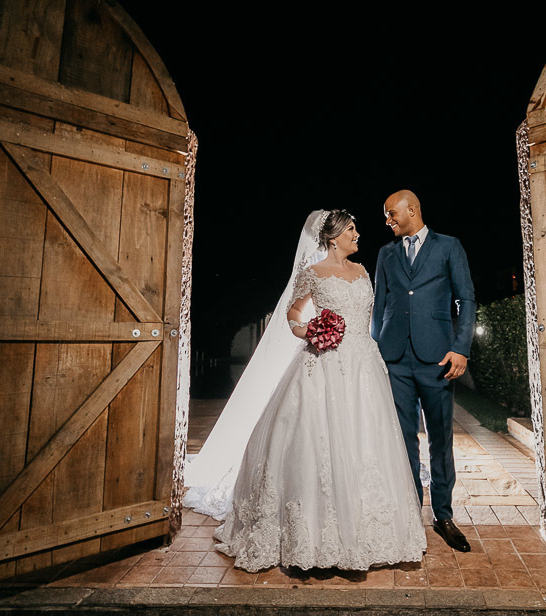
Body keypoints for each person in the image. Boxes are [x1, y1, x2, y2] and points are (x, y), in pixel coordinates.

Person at [185, 210, 425, 572]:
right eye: (351, 229)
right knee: (319, 440)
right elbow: (293, 313)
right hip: (324, 363)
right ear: (334, 237)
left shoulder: (362, 272)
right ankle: (314, 534)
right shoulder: (312, 273)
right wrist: (309, 330)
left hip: (364, 367)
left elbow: (368, 317)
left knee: (367, 440)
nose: (357, 235)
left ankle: (372, 531)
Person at [372, 190, 476, 553]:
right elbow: (379, 306)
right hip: (395, 359)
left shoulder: (449, 246)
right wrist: (376, 351)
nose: (387, 220)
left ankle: (443, 516)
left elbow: (466, 299)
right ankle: (409, 513)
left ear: (412, 210)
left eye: (391, 213)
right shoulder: (385, 254)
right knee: (402, 439)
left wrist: (461, 348)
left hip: (438, 359)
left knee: (440, 438)